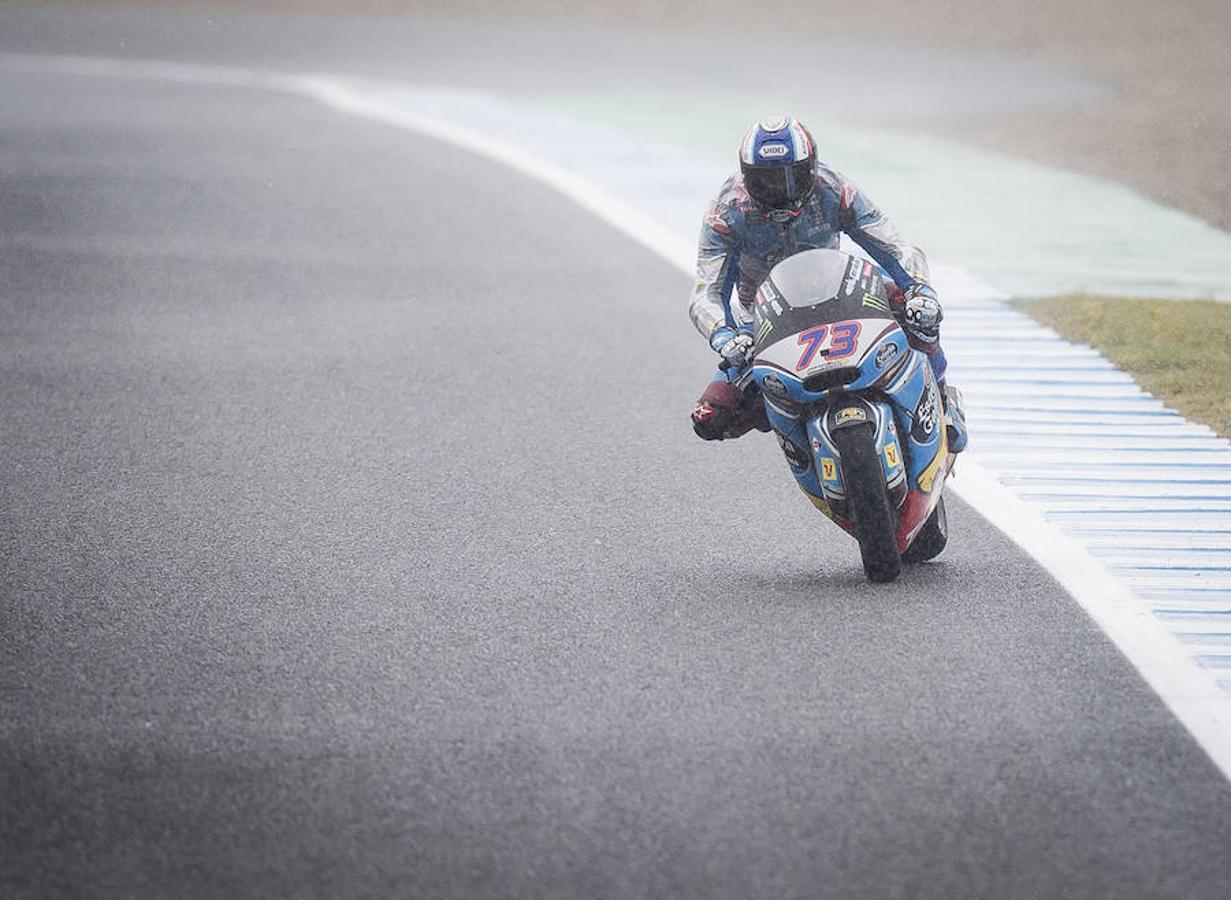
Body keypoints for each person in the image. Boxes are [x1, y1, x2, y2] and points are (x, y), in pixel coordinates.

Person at [688, 115, 968, 456]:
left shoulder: (834, 189)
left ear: (811, 167)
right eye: (768, 181)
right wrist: (724, 335)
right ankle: (799, 441)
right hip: (763, 318)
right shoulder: (728, 212)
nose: (781, 191)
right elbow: (707, 292)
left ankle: (942, 400)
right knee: (710, 418)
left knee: (917, 312)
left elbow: (893, 244)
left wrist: (919, 289)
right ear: (747, 177)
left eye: (792, 178)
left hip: (840, 293)